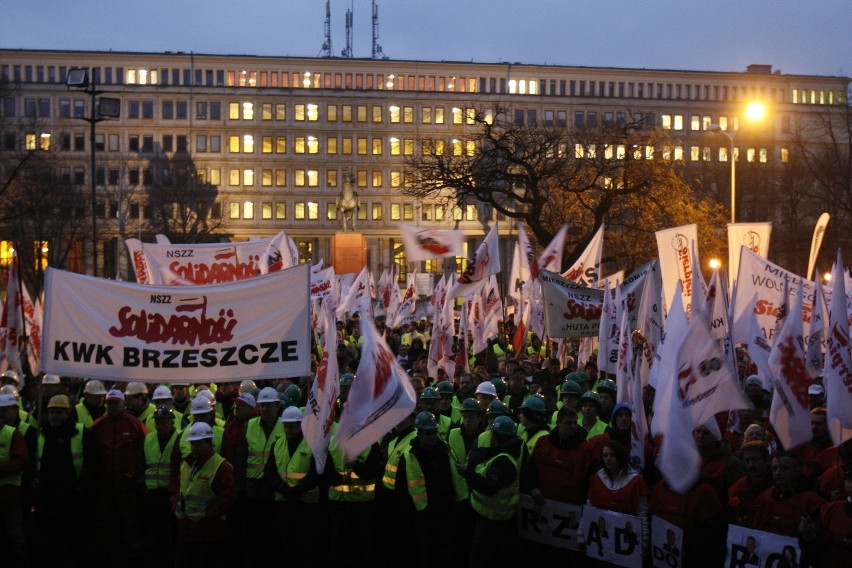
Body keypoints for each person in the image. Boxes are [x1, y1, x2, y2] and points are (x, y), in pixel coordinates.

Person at [85, 388, 147, 566]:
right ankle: (107, 555)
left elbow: (144, 451)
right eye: (109, 403)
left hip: (127, 485)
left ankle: (131, 556)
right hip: (104, 485)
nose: (112, 406)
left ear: (123, 404)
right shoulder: (97, 426)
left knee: (129, 523)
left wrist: (137, 477)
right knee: (105, 523)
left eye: (115, 403)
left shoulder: (135, 424)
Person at [404, 411, 468, 567]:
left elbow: (452, 476)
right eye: (428, 434)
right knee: (427, 553)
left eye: (434, 433)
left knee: (446, 552)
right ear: (419, 434)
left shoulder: (444, 450)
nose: (432, 437)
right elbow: (405, 486)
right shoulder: (411, 454)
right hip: (424, 514)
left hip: (446, 511)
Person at [458, 415, 523, 567]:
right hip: (495, 520)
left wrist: (467, 473)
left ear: (494, 436)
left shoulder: (502, 461)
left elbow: (488, 487)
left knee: (480, 559)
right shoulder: (506, 455)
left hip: (493, 522)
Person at [34, 394, 89, 567]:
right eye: (52, 412)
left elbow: (91, 462)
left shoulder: (81, 432)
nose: (55, 415)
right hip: (47, 496)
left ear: (68, 413)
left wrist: (82, 486)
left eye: (59, 412)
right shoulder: (41, 433)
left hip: (72, 495)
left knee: (73, 538)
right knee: (50, 539)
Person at [172, 422, 236, 568]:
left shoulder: (220, 466)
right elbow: (179, 487)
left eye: (198, 443)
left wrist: (208, 515)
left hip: (209, 532)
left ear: (209, 443)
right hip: (187, 529)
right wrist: (175, 503)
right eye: (192, 443)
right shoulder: (187, 463)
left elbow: (229, 496)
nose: (194, 447)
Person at [265, 406, 324, 566]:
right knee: (287, 545)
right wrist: (283, 489)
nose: (287, 429)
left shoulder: (312, 444)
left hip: (306, 504)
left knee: (306, 546)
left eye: (291, 426)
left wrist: (299, 489)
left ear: (300, 425)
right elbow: (269, 473)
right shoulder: (277, 444)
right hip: (284, 504)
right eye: (285, 426)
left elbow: (317, 473)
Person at [753, 451, 825, 539]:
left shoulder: (812, 501)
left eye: (784, 468)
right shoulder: (764, 497)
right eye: (774, 468)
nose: (778, 473)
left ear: (797, 471)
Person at [141, 405, 180, 565]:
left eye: (164, 422)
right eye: (158, 422)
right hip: (153, 494)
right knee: (156, 531)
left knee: (174, 531)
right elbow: (141, 463)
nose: (160, 425)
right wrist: (143, 486)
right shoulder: (148, 439)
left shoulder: (179, 438)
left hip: (171, 494)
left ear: (171, 422)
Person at [0, 393, 30, 566]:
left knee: (15, 535)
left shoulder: (13, 434)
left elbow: (22, 462)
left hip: (10, 495)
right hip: (9, 494)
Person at [728, 441, 773, 526]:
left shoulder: (777, 485)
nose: (751, 465)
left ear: (766, 460)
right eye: (747, 460)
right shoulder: (738, 487)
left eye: (755, 460)